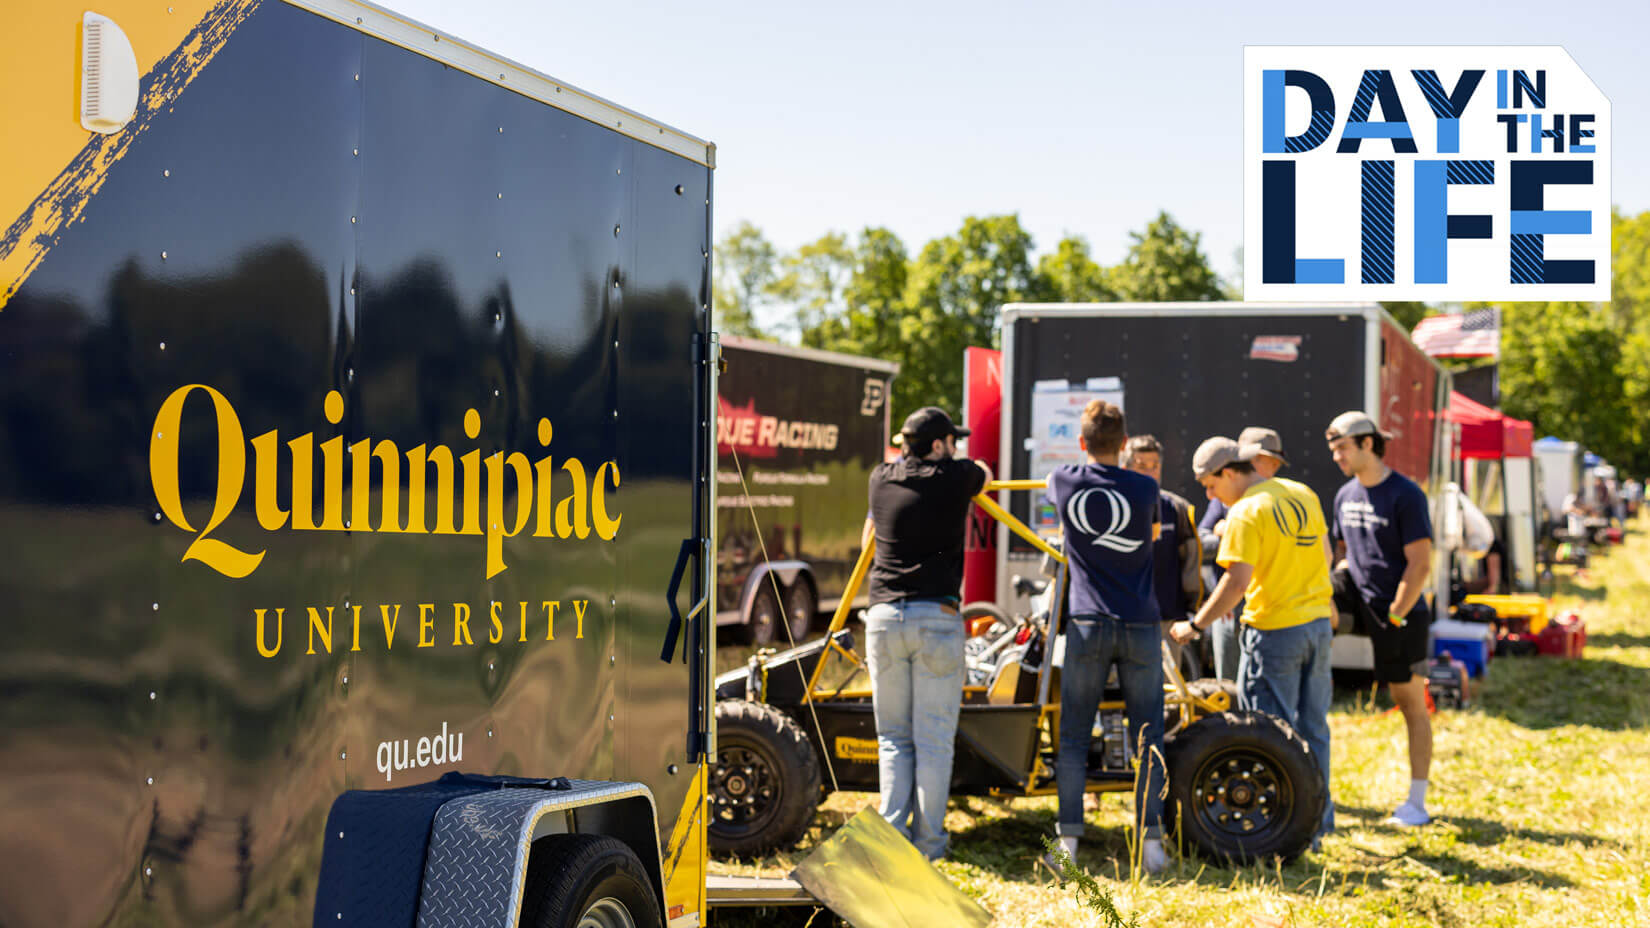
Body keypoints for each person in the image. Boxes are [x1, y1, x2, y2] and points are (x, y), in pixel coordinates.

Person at [1170, 437, 1335, 839]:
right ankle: (1319, 823)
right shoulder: (1302, 493)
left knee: (1270, 735)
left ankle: (1278, 828)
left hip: (1275, 630)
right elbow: (1326, 557)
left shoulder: (1245, 511)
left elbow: (1235, 581)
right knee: (1314, 728)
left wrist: (1194, 626)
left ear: (1229, 472)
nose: (1211, 496)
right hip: (1316, 625)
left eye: (1211, 486)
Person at [1044, 401, 1169, 874]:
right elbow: (1152, 537)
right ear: (1124, 445)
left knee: (1074, 737)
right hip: (1139, 622)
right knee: (1148, 737)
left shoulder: (1062, 480)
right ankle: (1152, 847)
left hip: (1087, 622)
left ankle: (1068, 846)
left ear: (1082, 443)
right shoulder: (1145, 487)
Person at [863, 406, 991, 859]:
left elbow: (868, 538)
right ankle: (930, 846)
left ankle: (893, 843)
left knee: (893, 739)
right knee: (933, 740)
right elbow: (985, 474)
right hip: (935, 617)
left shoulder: (880, 478)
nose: (955, 447)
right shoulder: (956, 477)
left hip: (881, 619)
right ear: (939, 445)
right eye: (952, 440)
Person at [1324, 411, 1435, 828]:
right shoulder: (1344, 495)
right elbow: (1341, 550)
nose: (1336, 457)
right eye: (1333, 450)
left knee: (1409, 705)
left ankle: (1417, 803)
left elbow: (1420, 564)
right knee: (1318, 611)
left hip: (1399, 612)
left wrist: (1396, 613)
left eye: (1342, 449)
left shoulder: (1405, 495)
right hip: (1359, 601)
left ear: (1367, 444)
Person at [1120, 435, 1203, 667]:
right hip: (1122, 619)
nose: (1150, 472)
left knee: (1167, 693)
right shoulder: (1114, 506)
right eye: (1141, 466)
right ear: (1126, 468)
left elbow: (1191, 564)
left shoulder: (1177, 508)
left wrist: (1190, 612)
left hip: (1166, 619)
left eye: (1155, 466)